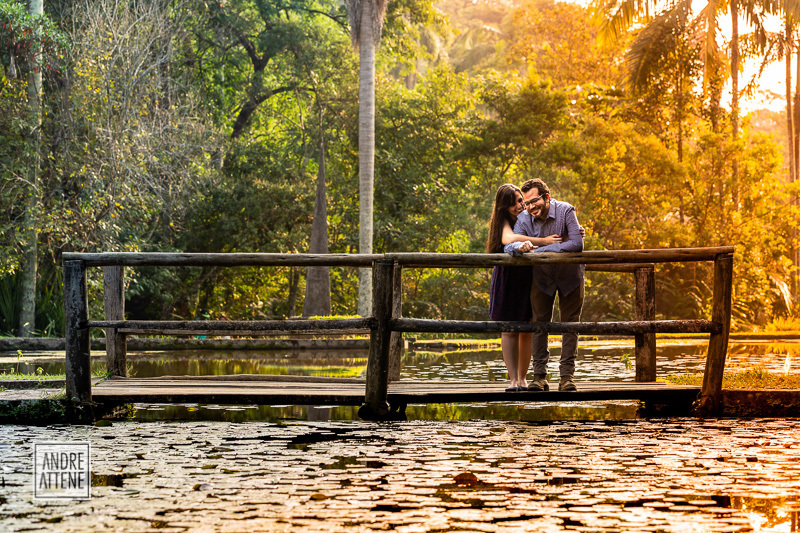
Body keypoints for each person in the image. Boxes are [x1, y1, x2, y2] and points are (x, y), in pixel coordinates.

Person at [504, 178, 584, 393]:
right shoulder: (524, 218)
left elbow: (577, 244)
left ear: (546, 197)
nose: (530, 207)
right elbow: (508, 246)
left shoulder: (566, 211)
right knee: (539, 325)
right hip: (541, 278)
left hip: (571, 277)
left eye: (534, 201)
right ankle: (539, 378)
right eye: (527, 203)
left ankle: (566, 378)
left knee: (570, 326)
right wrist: (520, 246)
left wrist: (538, 251)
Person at [486, 184, 562, 392]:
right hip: (509, 277)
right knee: (509, 329)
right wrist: (543, 241)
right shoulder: (504, 221)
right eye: (513, 203)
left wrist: (574, 231)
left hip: (528, 276)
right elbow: (508, 239)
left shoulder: (531, 215)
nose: (519, 205)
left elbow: (553, 226)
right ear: (504, 207)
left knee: (527, 329)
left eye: (520, 200)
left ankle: (523, 378)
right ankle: (512, 380)